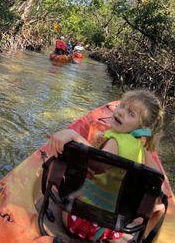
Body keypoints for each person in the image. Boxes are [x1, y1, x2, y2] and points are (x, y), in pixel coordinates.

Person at [47, 89, 166, 242]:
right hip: (112, 230)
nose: (122, 112)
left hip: (78, 222)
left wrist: (74, 135)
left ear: (140, 127)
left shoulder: (114, 142)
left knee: (72, 187)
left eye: (131, 114)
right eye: (122, 106)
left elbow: (94, 165)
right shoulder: (140, 149)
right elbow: (158, 182)